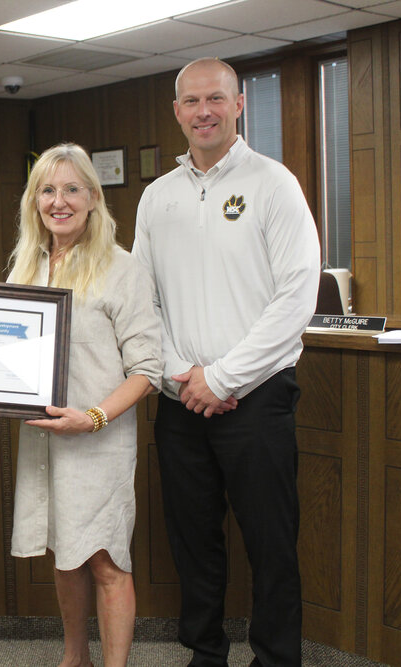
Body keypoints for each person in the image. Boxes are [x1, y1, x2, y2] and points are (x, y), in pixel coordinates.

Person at [131, 57, 321, 666]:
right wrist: (183, 374)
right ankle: (205, 654)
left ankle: (275, 659)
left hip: (257, 401)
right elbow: (143, 299)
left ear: (240, 104)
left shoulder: (273, 183)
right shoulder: (157, 197)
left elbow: (297, 294)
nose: (203, 111)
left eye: (216, 99)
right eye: (191, 101)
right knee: (194, 544)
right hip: (179, 399)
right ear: (177, 112)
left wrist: (223, 377)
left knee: (271, 546)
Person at [7, 143, 162, 667]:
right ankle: (75, 658)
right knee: (64, 553)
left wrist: (92, 417)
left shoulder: (122, 269)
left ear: (94, 197)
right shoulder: (25, 269)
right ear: (34, 201)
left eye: (72, 188)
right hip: (45, 439)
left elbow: (147, 369)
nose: (59, 201)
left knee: (105, 561)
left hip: (98, 442)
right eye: (47, 190)